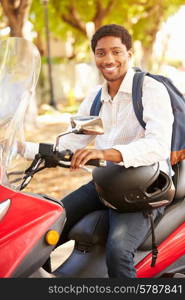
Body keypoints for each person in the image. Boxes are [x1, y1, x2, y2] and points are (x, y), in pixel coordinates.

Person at [22, 24, 174, 278]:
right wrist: (18, 147)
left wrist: (106, 153)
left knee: (119, 251)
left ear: (129, 54)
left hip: (143, 186)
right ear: (94, 57)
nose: (109, 59)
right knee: (44, 229)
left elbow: (158, 145)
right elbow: (71, 143)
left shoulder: (150, 90)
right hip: (106, 182)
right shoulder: (95, 98)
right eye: (101, 53)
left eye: (116, 51)